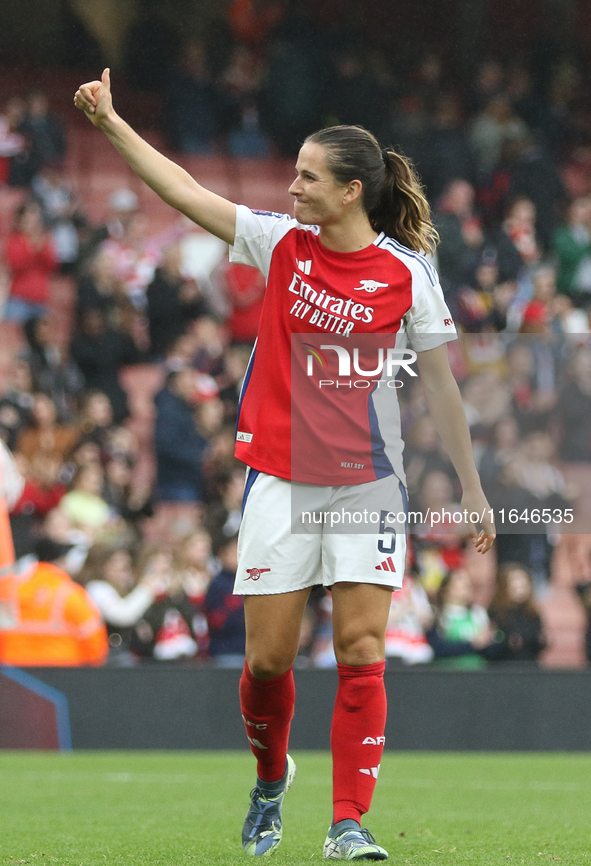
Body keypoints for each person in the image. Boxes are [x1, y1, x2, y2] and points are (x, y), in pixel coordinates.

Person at [75, 70, 495, 861]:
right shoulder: (279, 244)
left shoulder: (407, 274)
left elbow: (439, 386)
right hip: (280, 476)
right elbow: (182, 191)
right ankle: (271, 781)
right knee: (268, 660)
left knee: (362, 650)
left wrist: (470, 489)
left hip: (368, 481)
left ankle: (347, 824)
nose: (291, 187)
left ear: (349, 192)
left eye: (307, 176)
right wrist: (111, 126)